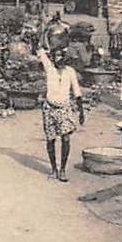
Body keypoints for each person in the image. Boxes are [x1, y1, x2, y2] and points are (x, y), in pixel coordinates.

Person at [37, 44, 85, 182]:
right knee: (50, 140)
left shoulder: (70, 72)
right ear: (52, 58)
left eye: (61, 56)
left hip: (64, 108)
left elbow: (77, 92)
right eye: (56, 56)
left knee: (65, 138)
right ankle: (53, 169)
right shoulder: (49, 68)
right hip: (49, 108)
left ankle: (62, 169)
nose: (59, 59)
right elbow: (40, 49)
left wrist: (81, 112)